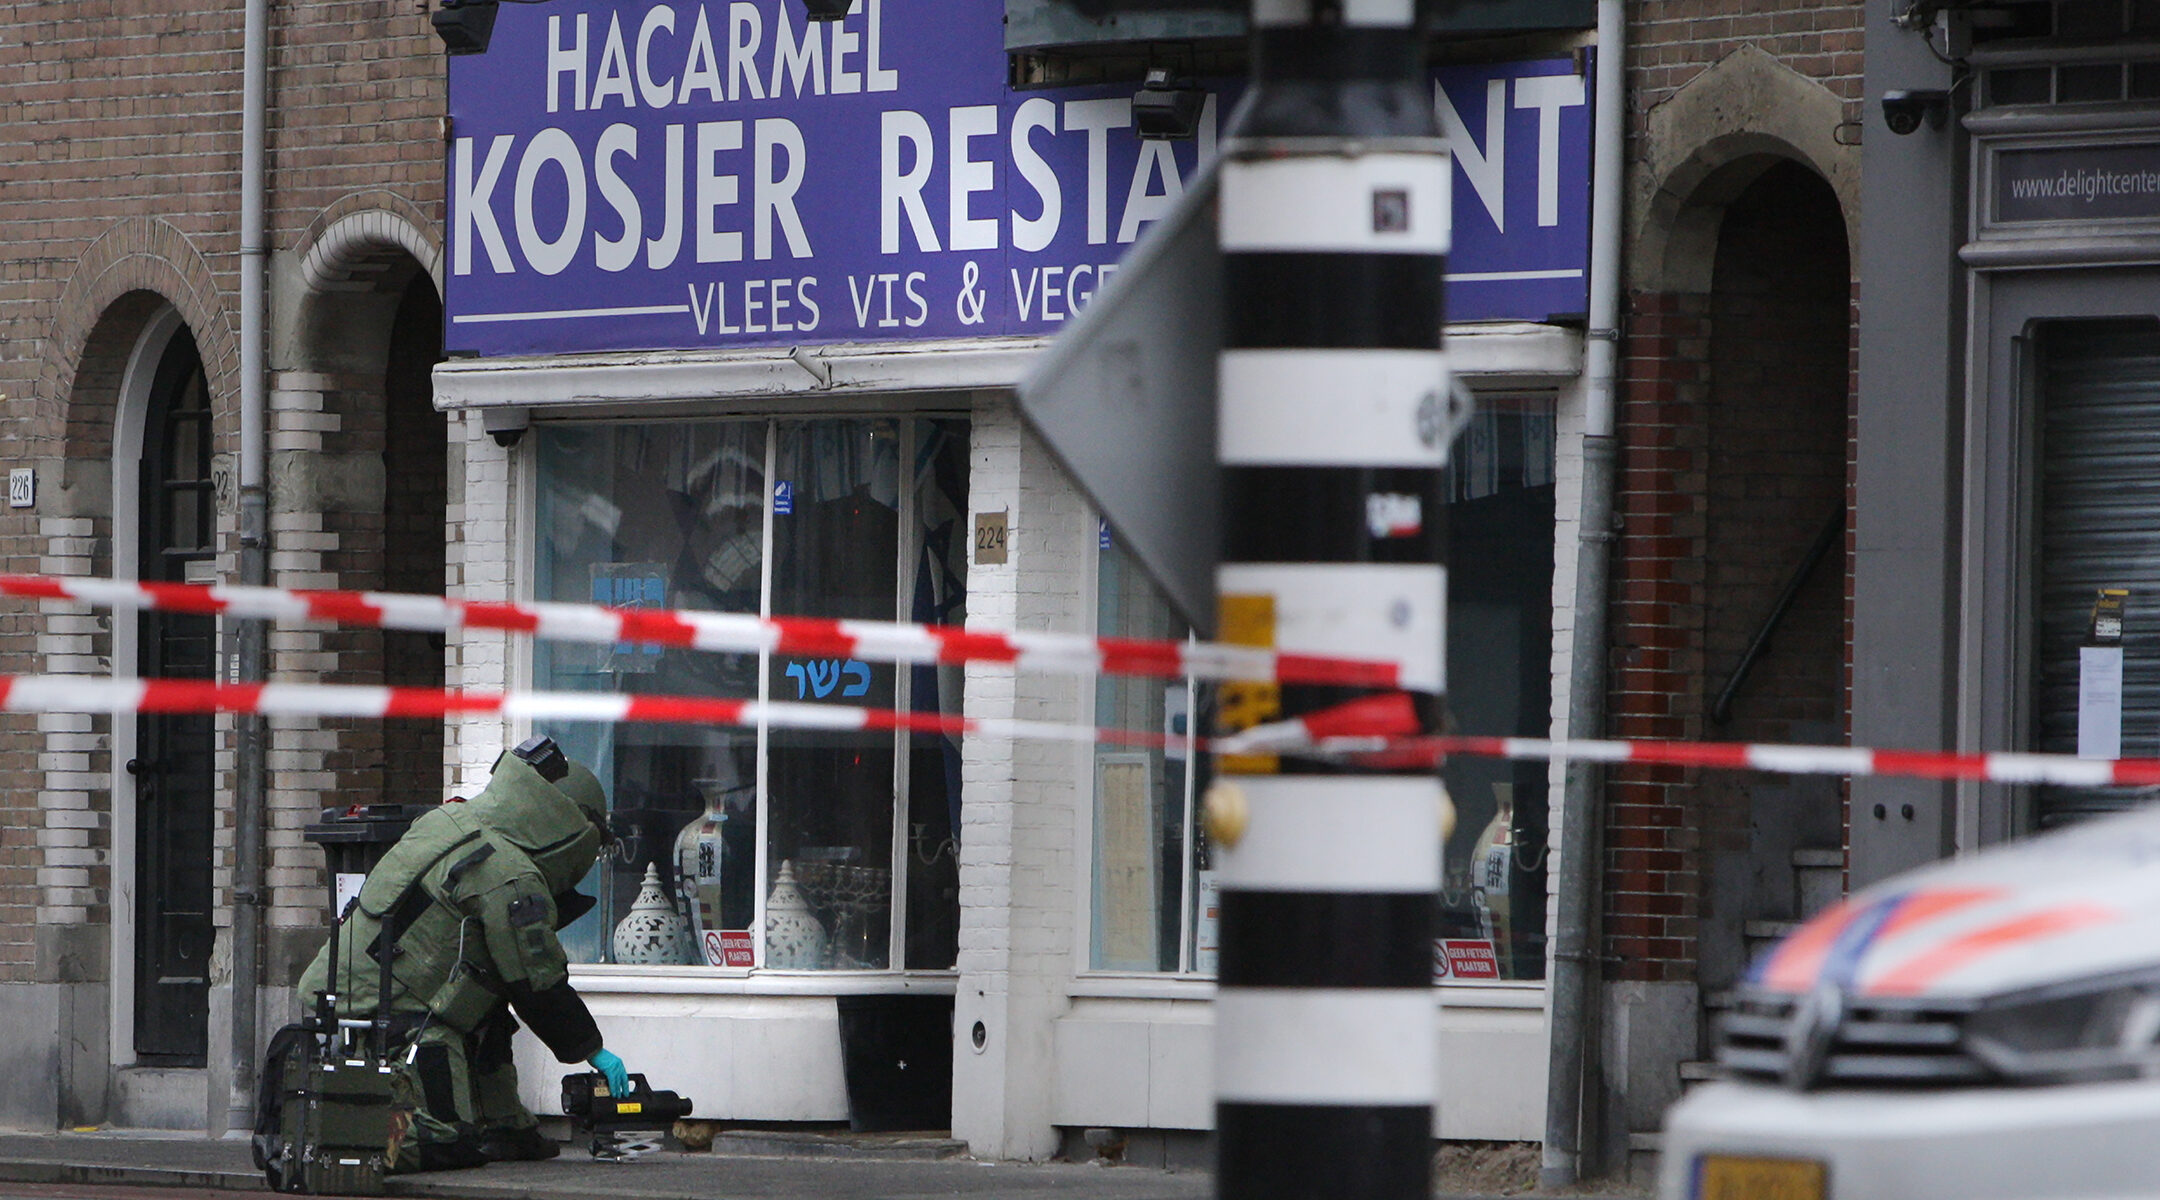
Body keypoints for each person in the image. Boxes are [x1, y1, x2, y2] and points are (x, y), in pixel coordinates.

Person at [293, 735, 634, 1172]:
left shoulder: (451, 819)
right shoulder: (509, 876)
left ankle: (505, 1126)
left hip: (349, 988)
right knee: (445, 1141)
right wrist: (593, 1050)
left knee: (486, 1004)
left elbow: (502, 975)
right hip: (396, 1014)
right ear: (573, 831)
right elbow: (537, 981)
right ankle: (345, 1140)